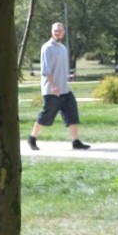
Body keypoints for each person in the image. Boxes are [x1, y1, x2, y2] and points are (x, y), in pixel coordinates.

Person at [26, 21, 89, 152]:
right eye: (55, 30)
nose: (58, 32)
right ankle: (32, 138)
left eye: (60, 30)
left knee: (72, 113)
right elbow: (46, 70)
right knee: (46, 115)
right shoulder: (47, 47)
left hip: (64, 89)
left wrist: (62, 85)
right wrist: (53, 86)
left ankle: (75, 141)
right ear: (51, 32)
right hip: (51, 90)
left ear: (64, 32)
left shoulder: (63, 48)